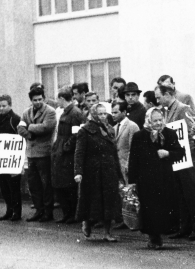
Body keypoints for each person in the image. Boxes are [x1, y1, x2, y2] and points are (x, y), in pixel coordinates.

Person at [128, 108, 185, 249]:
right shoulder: (139, 136)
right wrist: (132, 182)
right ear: (148, 121)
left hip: (165, 178)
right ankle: (153, 237)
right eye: (155, 120)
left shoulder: (169, 133)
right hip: (146, 179)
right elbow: (133, 160)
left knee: (164, 207)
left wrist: (167, 153)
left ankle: (161, 233)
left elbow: (180, 153)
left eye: (160, 119)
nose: (159, 123)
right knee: (149, 209)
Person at [156, 83, 195, 240]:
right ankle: (184, 226)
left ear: (168, 95)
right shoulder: (166, 111)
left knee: (189, 191)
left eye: (159, 97)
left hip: (186, 155)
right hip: (175, 156)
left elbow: (192, 130)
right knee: (179, 192)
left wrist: (188, 152)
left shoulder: (183, 108)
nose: (157, 101)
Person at [74, 103, 123, 242]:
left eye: (104, 113)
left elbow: (113, 153)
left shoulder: (109, 129)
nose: (103, 116)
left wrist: (118, 174)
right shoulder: (85, 130)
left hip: (109, 171)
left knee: (109, 202)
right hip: (92, 172)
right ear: (94, 114)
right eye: (100, 114)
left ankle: (108, 232)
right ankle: (87, 223)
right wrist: (78, 172)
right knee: (92, 201)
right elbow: (79, 153)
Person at [18, 86, 57, 222]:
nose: (38, 102)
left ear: (44, 98)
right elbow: (20, 128)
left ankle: (48, 212)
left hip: (44, 152)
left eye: (40, 99)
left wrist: (29, 127)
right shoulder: (26, 112)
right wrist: (29, 135)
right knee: (34, 184)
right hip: (31, 152)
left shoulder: (50, 111)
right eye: (35, 100)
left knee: (46, 184)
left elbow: (46, 127)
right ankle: (38, 210)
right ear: (31, 100)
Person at [51, 89, 86, 224]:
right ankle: (67, 214)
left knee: (68, 185)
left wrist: (66, 146)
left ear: (62, 98)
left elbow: (77, 134)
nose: (57, 102)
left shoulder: (75, 113)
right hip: (61, 151)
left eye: (58, 99)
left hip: (67, 154)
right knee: (61, 184)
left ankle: (72, 214)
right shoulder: (67, 112)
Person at [0, 94, 22, 221]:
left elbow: (20, 138)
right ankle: (9, 210)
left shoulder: (16, 119)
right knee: (4, 187)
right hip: (2, 158)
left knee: (14, 186)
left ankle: (17, 212)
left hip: (13, 158)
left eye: (4, 106)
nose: (1, 108)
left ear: (10, 105)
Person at [112, 100, 139, 181]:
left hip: (127, 168)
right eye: (112, 113)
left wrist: (129, 165)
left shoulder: (132, 126)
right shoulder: (114, 128)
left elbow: (134, 149)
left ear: (124, 112)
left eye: (116, 112)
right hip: (117, 168)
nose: (113, 115)